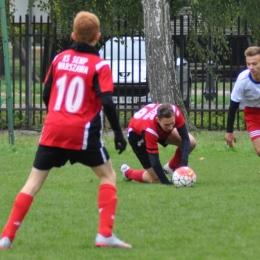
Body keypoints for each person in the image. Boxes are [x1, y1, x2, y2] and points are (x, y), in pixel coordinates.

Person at [0, 11, 132, 249]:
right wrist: (119, 135)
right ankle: (104, 234)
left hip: (52, 129)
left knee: (33, 182)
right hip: (81, 132)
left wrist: (55, 115)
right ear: (98, 36)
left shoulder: (59, 58)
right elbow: (108, 102)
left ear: (73, 34)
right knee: (108, 175)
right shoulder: (99, 65)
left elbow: (45, 93)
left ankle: (6, 236)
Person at [120, 103, 196, 184]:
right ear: (158, 120)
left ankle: (170, 168)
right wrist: (166, 182)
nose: (171, 127)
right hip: (137, 136)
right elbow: (154, 161)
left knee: (191, 142)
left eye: (172, 123)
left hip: (158, 129)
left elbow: (185, 138)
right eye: (167, 124)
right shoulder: (149, 130)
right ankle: (128, 172)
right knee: (156, 179)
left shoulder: (175, 112)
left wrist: (183, 164)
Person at [226, 46, 260, 156]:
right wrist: (229, 131)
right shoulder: (242, 79)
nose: (251, 67)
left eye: (254, 64)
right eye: (248, 64)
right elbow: (233, 106)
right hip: (252, 114)